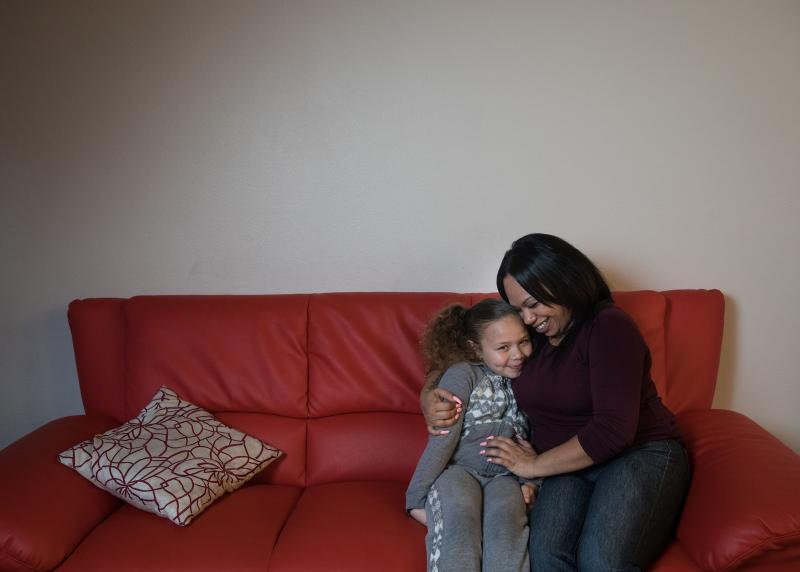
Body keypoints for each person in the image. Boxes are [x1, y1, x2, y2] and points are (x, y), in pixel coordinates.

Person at [421, 234, 691, 571]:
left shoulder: (609, 328)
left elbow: (613, 431)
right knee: (546, 559)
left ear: (565, 282)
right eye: (519, 309)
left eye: (533, 305)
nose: (528, 318)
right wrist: (430, 397)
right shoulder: (529, 336)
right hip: (566, 468)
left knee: (601, 562)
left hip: (639, 454)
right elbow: (469, 362)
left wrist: (533, 467)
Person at [406, 298, 540, 572]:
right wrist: (415, 498)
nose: (517, 354)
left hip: (505, 476)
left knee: (506, 529)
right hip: (459, 471)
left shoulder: (531, 376)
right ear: (476, 349)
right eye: (503, 348)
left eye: (523, 342)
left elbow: (535, 437)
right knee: (461, 522)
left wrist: (531, 481)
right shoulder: (462, 375)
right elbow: (443, 438)